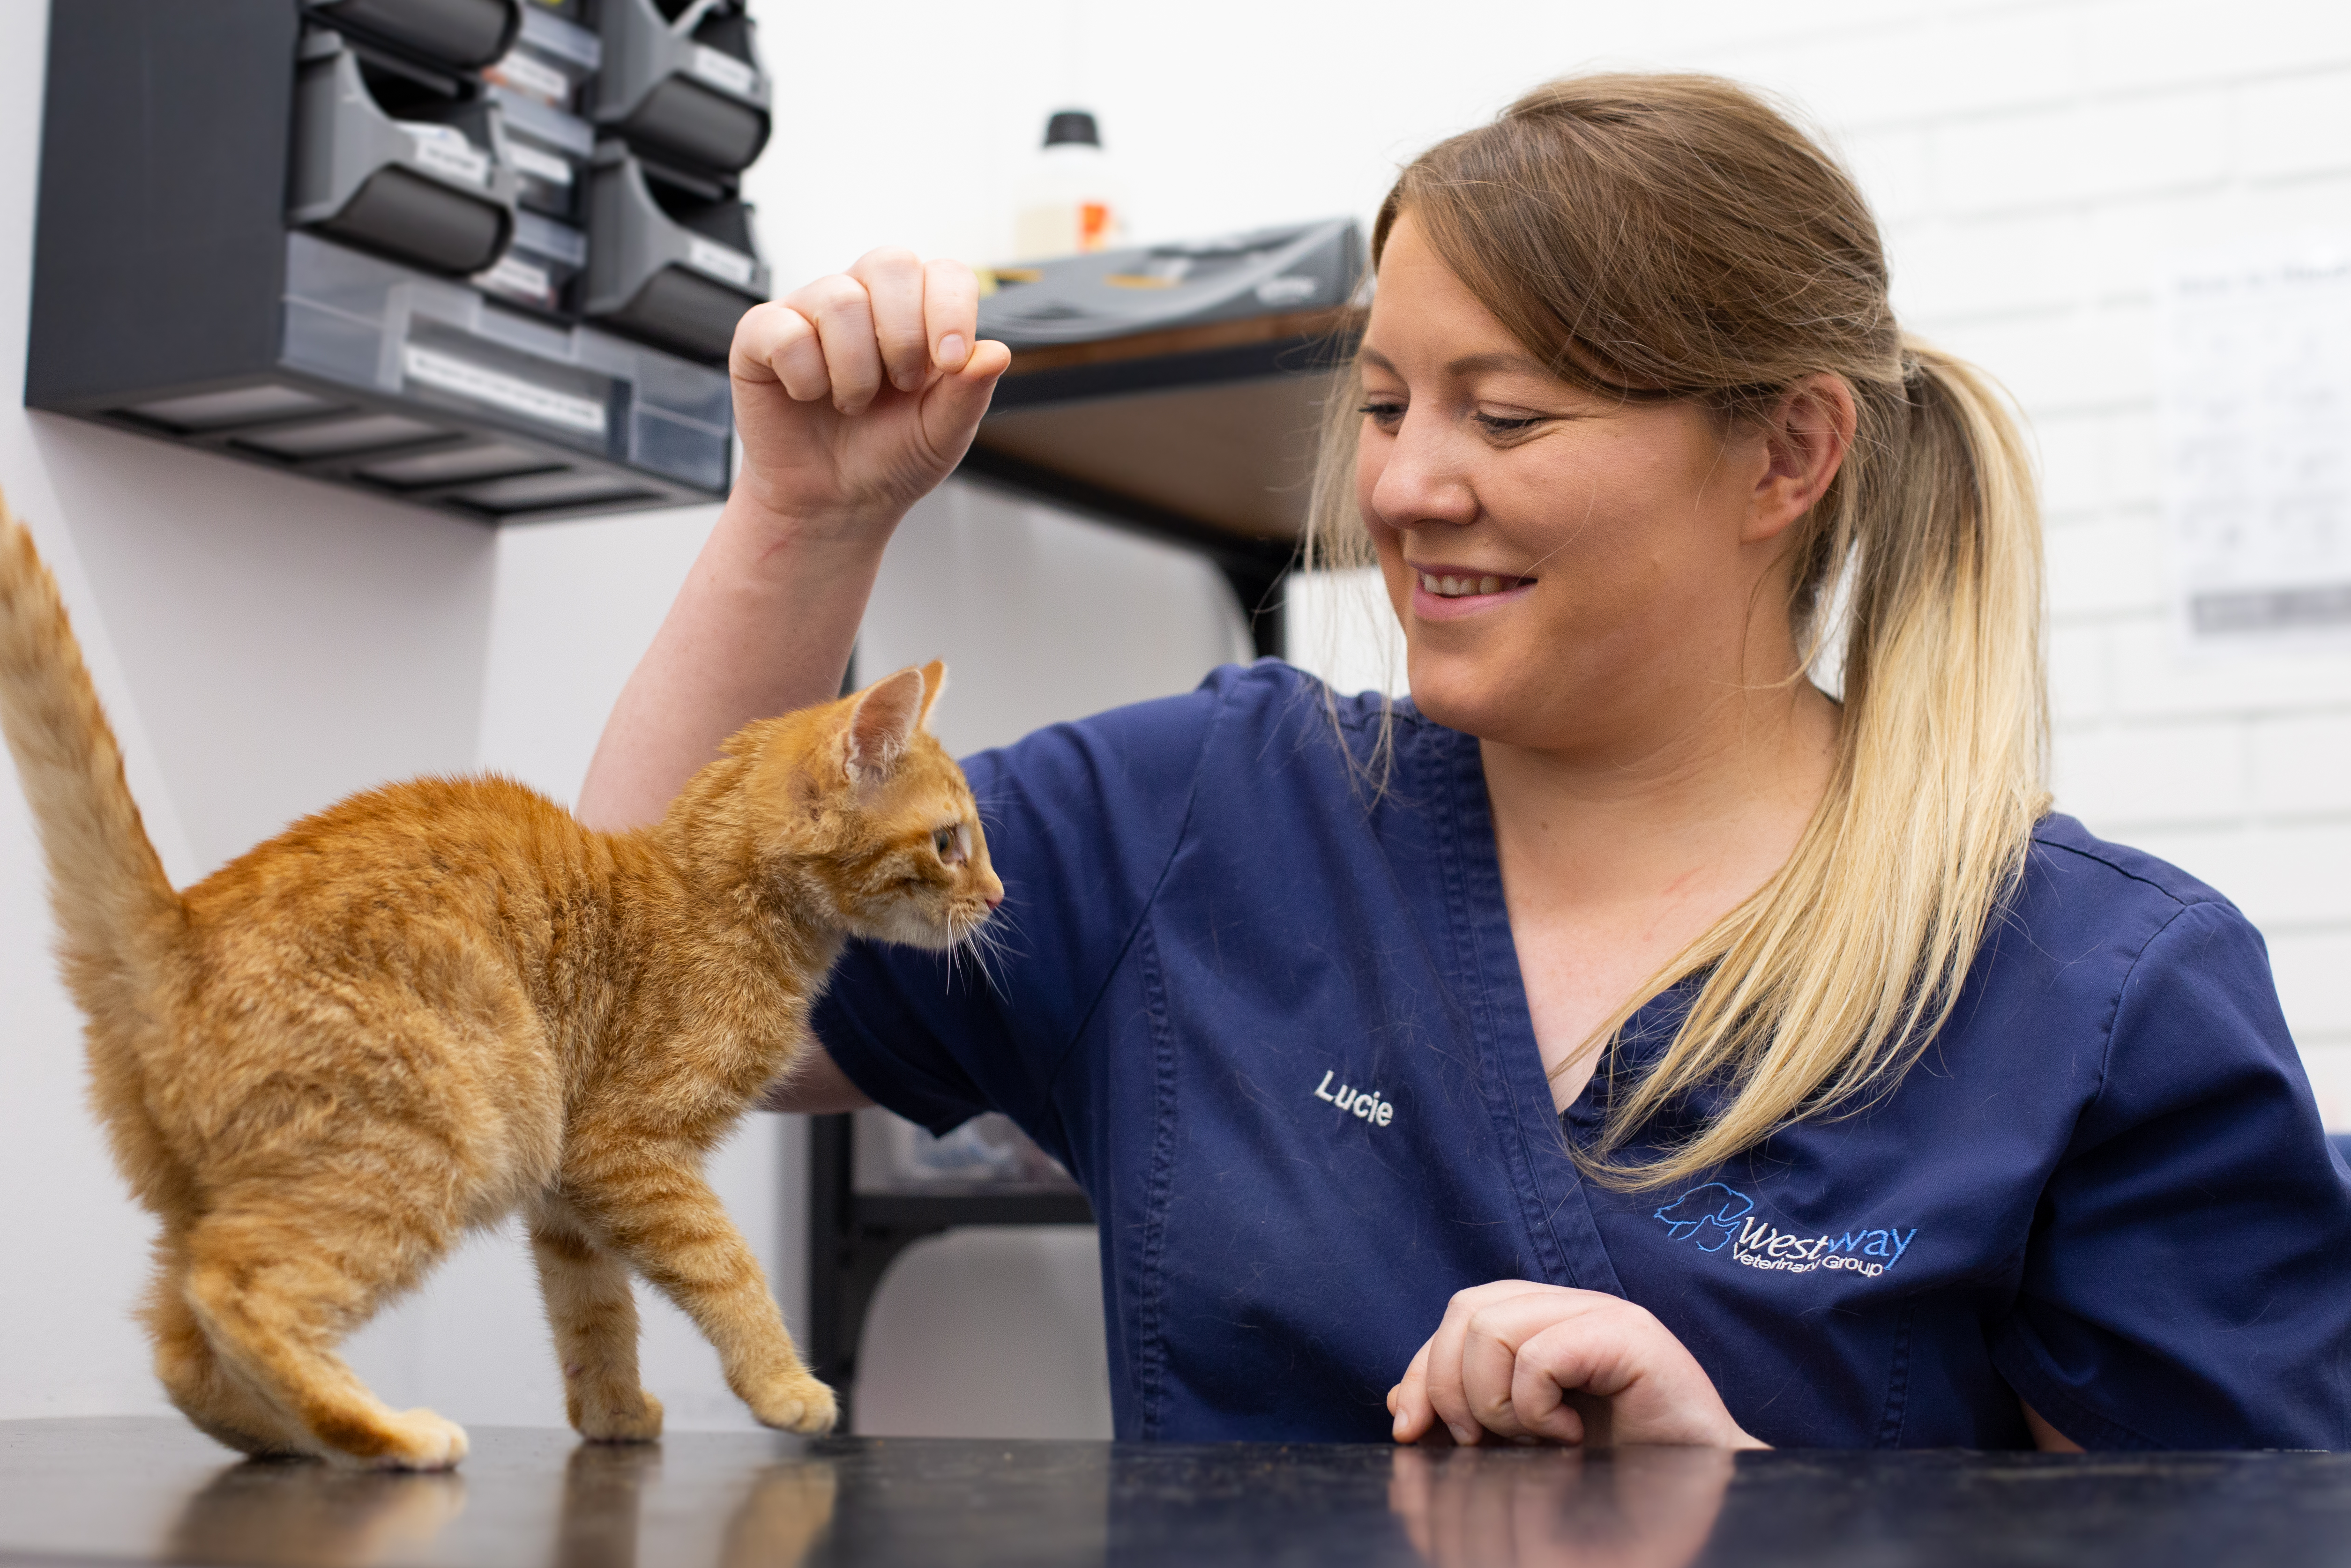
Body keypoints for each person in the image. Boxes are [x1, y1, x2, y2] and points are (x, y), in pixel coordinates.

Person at [579, 74, 2351, 1451]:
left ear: (1786, 454)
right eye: (1382, 405)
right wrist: (799, 525)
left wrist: (1737, 1490)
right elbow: (607, 1009)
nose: (1407, 487)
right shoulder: (1202, 818)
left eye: (1504, 417)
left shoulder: (2092, 991)